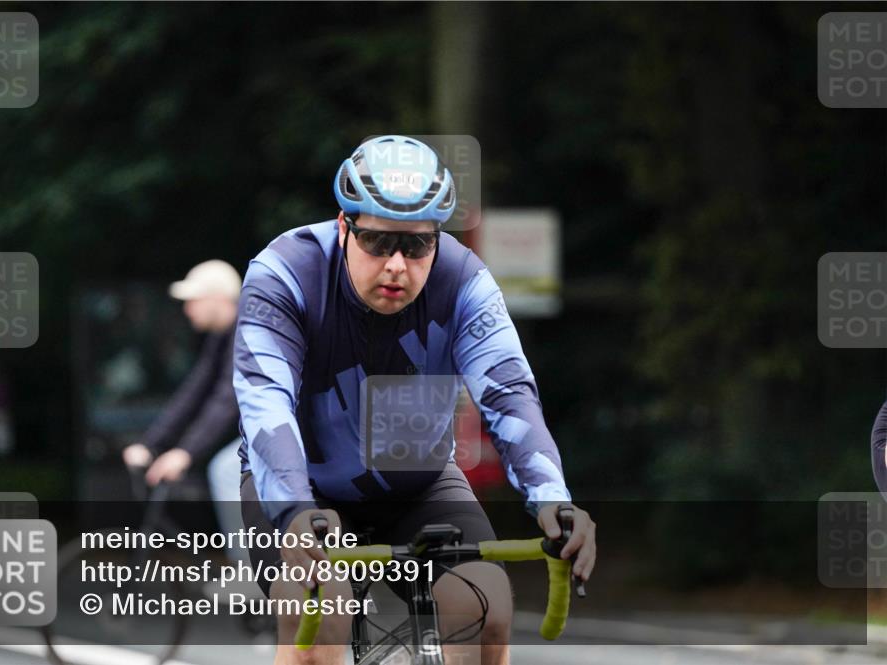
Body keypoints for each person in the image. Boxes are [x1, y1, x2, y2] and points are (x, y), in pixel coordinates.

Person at [234, 135, 596, 665]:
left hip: (417, 482)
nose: (398, 265)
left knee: (485, 610)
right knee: (320, 618)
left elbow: (509, 393)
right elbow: (265, 402)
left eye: (418, 245)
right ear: (344, 226)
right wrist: (293, 511)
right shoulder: (285, 274)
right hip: (302, 489)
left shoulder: (464, 280)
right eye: (379, 242)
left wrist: (553, 499)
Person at [122, 260, 246, 546]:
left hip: (297, 427)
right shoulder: (220, 337)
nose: (187, 308)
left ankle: (251, 571)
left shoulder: (247, 330)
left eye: (194, 300)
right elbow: (193, 393)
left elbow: (227, 399)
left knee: (227, 470)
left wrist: (185, 453)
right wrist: (151, 444)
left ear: (218, 298)